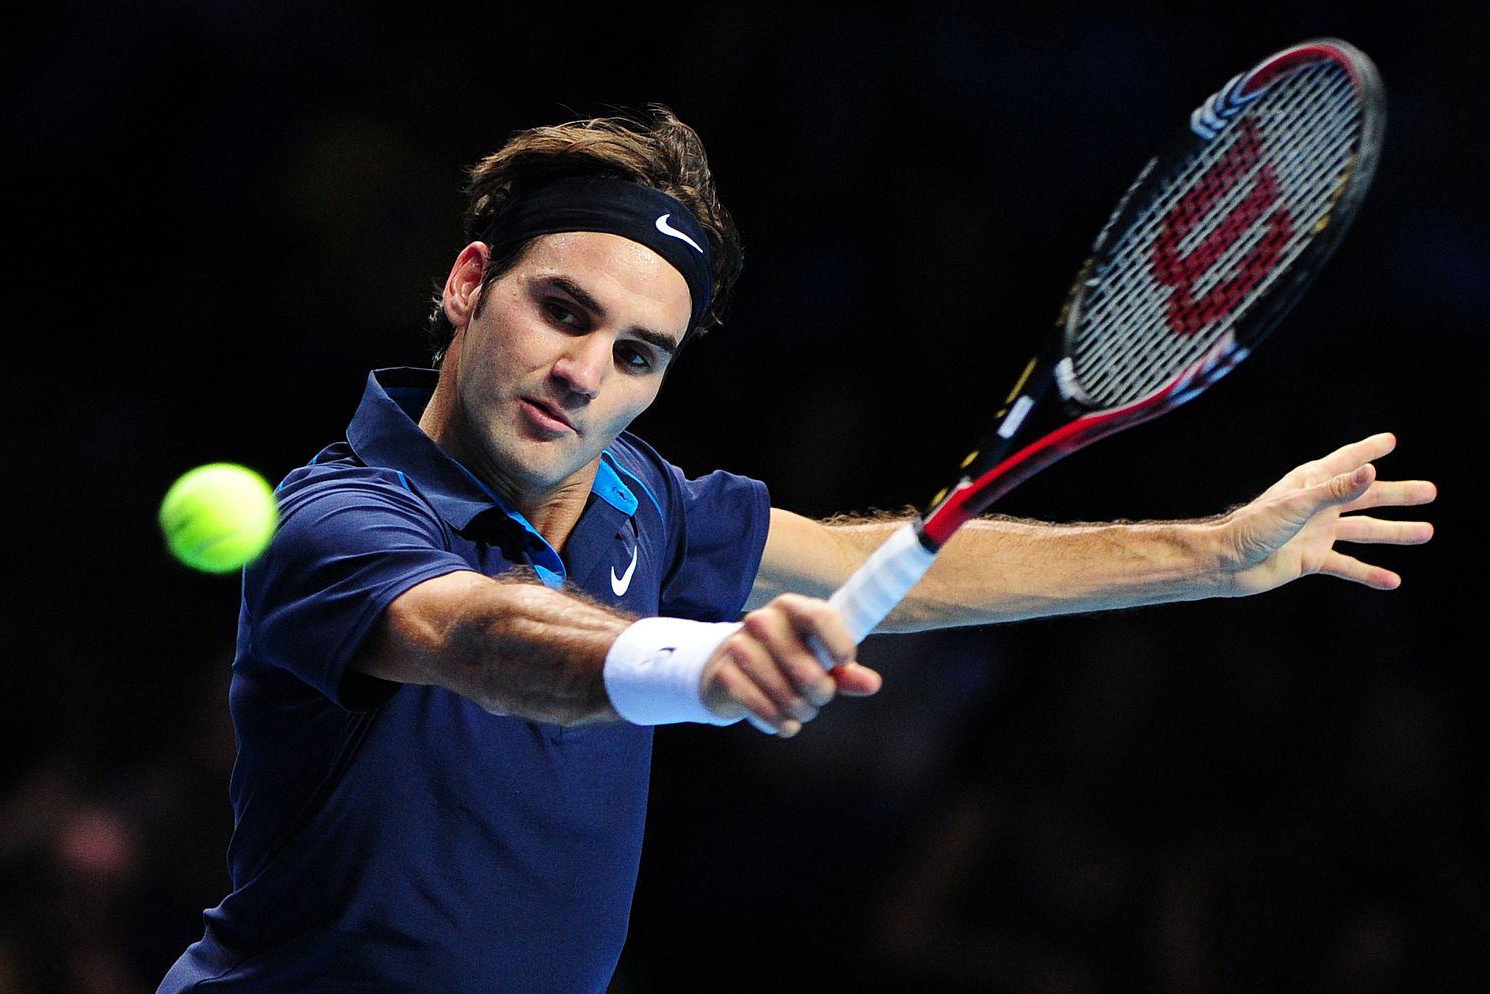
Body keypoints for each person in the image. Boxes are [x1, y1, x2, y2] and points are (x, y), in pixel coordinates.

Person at [156, 104, 1435, 992]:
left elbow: (867, 559)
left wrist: (1214, 554)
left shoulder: (639, 499)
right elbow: (482, 636)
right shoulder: (341, 516)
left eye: (636, 354)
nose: (582, 374)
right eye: (562, 310)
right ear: (467, 281)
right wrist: (703, 668)